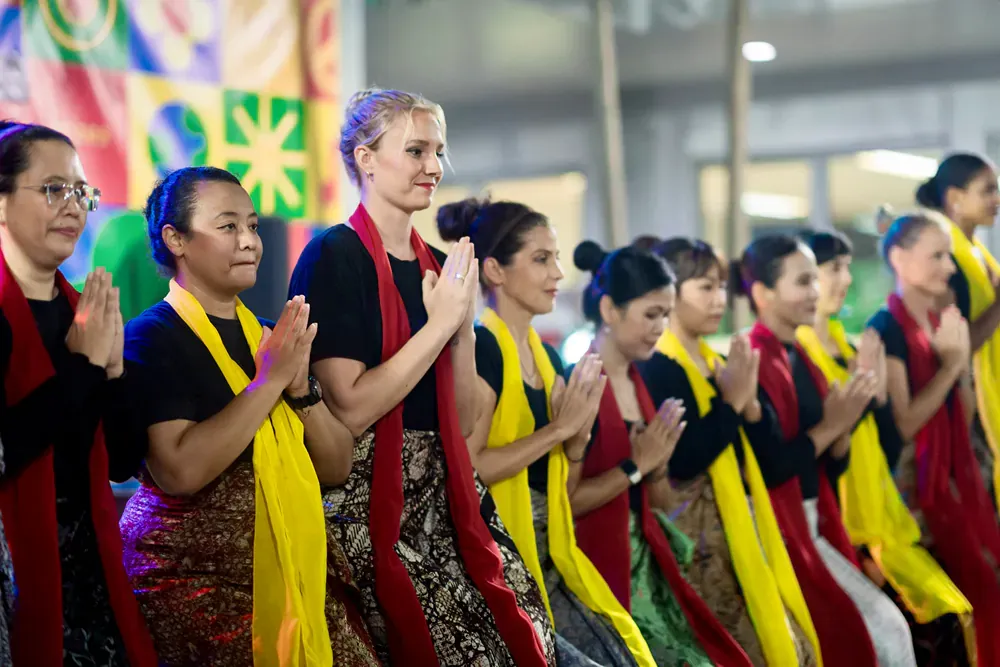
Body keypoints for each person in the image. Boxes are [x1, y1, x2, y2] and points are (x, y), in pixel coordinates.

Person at [288, 88, 552, 667]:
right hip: (361, 495)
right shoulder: (335, 255)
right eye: (415, 150)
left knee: (526, 630)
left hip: (442, 487)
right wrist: (437, 328)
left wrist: (459, 333)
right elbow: (351, 408)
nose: (433, 167)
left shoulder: (439, 263)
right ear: (365, 158)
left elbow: (461, 420)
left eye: (439, 151)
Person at [117, 166, 379, 666]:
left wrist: (299, 390)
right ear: (176, 239)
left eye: (253, 226)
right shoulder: (151, 337)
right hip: (195, 580)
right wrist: (268, 383)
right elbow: (180, 470)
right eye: (228, 226)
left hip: (291, 566)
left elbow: (335, 466)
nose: (249, 242)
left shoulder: (267, 336)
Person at [440, 196, 651, 667]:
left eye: (556, 258)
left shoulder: (550, 361)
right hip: (496, 565)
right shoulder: (486, 350)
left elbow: (562, 490)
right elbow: (469, 468)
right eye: (541, 259)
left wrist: (575, 446)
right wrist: (559, 431)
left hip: (549, 558)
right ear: (494, 270)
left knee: (630, 654)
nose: (558, 273)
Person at [0, 121, 157, 666]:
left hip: (89, 574)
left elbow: (121, 462)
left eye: (81, 192)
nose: (73, 206)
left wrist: (111, 375)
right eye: (52, 189)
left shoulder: (83, 310)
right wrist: (82, 365)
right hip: (13, 574)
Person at [736, 234, 916, 667]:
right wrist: (834, 426)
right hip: (780, 533)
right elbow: (771, 468)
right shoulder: (755, 359)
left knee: (888, 632)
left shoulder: (799, 356)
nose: (816, 291)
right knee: (882, 633)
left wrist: (843, 430)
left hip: (814, 519)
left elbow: (828, 466)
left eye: (815, 279)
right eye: (803, 282)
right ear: (763, 293)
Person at [638, 236, 819, 666]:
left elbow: (763, 455)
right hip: (697, 549)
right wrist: (733, 403)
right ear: (671, 292)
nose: (720, 299)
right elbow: (684, 459)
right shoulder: (658, 366)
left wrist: (750, 407)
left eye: (721, 287)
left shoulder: (716, 361)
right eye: (705, 287)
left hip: (737, 537)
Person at [571, 241, 753, 667]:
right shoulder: (581, 384)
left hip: (650, 562)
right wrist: (637, 466)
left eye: (666, 315)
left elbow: (664, 500)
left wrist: (652, 470)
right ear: (611, 311)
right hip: (601, 568)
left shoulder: (640, 383)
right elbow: (567, 502)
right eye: (651, 314)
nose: (660, 327)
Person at [798, 230, 972, 665]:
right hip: (837, 520)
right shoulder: (803, 353)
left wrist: (871, 402)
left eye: (846, 268)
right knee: (910, 629)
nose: (844, 280)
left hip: (881, 513)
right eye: (832, 269)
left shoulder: (849, 345)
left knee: (950, 616)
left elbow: (887, 441)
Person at [868, 212, 1000, 665]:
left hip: (954, 478)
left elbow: (959, 420)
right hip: (913, 493)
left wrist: (958, 363)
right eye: (937, 256)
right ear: (899, 259)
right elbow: (904, 425)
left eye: (949, 256)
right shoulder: (885, 329)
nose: (949, 267)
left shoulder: (940, 322)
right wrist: (949, 366)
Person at [916, 154, 1000, 515]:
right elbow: (957, 346)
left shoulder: (979, 253)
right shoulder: (950, 263)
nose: (997, 198)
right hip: (969, 409)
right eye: (988, 190)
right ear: (955, 197)